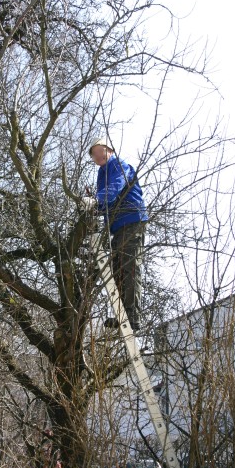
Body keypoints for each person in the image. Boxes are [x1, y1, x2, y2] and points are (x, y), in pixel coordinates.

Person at [82, 136, 148, 331]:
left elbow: (114, 189)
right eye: (93, 154)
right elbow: (106, 202)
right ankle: (122, 315)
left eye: (97, 151)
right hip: (118, 226)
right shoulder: (102, 173)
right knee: (118, 270)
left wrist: (96, 200)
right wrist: (95, 206)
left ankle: (132, 316)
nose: (95, 156)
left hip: (131, 220)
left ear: (108, 149)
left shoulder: (118, 165)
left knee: (130, 267)